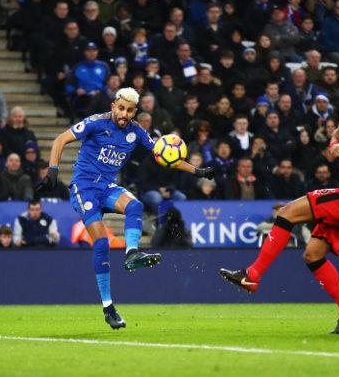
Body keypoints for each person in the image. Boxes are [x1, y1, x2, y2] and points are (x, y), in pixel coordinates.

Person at [219, 75, 339, 334]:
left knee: (286, 213)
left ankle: (253, 274)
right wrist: (336, 144)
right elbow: (338, 133)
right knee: (313, 254)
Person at [38, 87, 213, 329]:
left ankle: (132, 253)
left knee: (136, 206)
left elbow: (165, 155)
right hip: (84, 187)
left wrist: (198, 171)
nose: (124, 114)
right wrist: (53, 171)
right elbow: (60, 140)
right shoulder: (95, 123)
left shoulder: (136, 132)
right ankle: (108, 307)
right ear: (113, 106)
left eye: (129, 110)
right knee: (101, 244)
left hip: (108, 187)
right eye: (121, 108)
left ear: (134, 112)